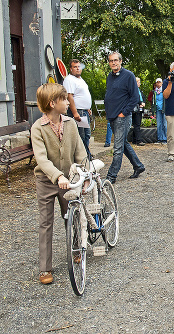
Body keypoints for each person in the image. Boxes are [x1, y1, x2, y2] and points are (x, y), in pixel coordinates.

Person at [31, 83, 88, 284]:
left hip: (69, 179)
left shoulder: (71, 123)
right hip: (47, 181)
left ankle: (76, 250)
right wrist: (58, 176)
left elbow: (80, 151)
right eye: (64, 99)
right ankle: (45, 269)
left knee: (71, 217)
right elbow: (42, 159)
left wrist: (86, 172)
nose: (68, 102)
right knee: (45, 223)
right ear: (52, 103)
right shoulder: (38, 128)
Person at [104, 52, 145, 183]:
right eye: (111, 61)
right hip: (112, 116)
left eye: (116, 60)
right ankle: (138, 166)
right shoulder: (110, 77)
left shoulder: (128, 75)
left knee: (117, 148)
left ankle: (111, 176)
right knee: (122, 143)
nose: (113, 63)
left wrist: (124, 113)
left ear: (121, 61)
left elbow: (134, 97)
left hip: (122, 117)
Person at [63, 59, 92, 157]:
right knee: (81, 136)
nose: (77, 69)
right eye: (75, 67)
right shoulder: (69, 79)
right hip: (78, 112)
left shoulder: (80, 79)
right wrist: (75, 113)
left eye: (79, 66)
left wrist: (87, 107)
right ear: (71, 69)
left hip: (84, 111)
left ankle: (86, 155)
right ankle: (83, 157)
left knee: (87, 135)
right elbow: (69, 96)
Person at [148, 78, 167, 143]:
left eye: (159, 82)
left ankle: (165, 139)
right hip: (157, 110)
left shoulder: (164, 91)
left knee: (165, 124)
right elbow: (153, 102)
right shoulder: (154, 92)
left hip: (164, 110)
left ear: (162, 83)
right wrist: (153, 111)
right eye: (157, 82)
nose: (158, 83)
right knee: (159, 124)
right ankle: (159, 139)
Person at [131, 77, 146, 146]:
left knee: (136, 124)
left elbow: (143, 97)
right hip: (135, 109)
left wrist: (143, 103)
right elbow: (134, 98)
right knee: (137, 125)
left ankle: (134, 139)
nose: (139, 83)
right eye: (138, 82)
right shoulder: (133, 90)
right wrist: (140, 103)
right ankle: (138, 140)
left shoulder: (139, 90)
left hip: (140, 109)